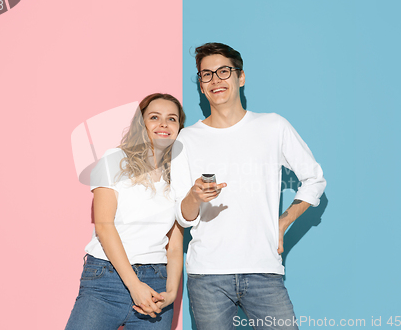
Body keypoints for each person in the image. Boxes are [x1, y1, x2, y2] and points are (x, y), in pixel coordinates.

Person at [171, 43, 326, 330]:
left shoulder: (273, 126)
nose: (215, 80)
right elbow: (183, 217)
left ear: (241, 77)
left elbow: (314, 178)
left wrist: (283, 222)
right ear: (201, 86)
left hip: (263, 270)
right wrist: (194, 196)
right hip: (207, 276)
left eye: (223, 71)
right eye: (206, 75)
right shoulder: (186, 139)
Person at [66, 93, 186, 330]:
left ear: (179, 128)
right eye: (154, 117)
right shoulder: (114, 159)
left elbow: (174, 244)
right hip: (105, 280)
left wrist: (171, 292)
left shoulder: (180, 175)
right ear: (141, 124)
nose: (164, 124)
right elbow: (103, 225)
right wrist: (134, 285)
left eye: (172, 119)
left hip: (156, 283)